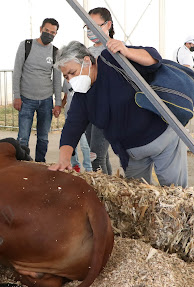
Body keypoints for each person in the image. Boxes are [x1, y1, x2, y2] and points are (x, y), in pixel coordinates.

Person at [48, 40, 188, 188]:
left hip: (162, 139)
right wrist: (64, 159)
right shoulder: (81, 97)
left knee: (175, 192)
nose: (70, 80)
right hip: (132, 153)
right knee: (138, 197)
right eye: (66, 77)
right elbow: (72, 126)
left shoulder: (111, 60)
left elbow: (153, 59)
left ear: (87, 61)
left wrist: (127, 52)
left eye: (72, 73)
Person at [12, 18, 62, 162]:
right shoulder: (26, 45)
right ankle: (22, 164)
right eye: (47, 31)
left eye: (53, 32)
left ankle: (40, 165)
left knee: (43, 138)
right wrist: (17, 96)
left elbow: (57, 80)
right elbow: (17, 72)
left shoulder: (55, 52)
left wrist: (57, 103)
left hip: (46, 101)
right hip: (26, 99)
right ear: (41, 29)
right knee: (22, 137)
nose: (49, 34)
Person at [82, 7, 113, 174]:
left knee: (96, 155)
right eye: (87, 26)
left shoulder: (115, 50)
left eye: (95, 25)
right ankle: (109, 191)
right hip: (89, 108)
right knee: (100, 155)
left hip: (105, 110)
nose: (90, 30)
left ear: (107, 25)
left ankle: (103, 194)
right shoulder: (86, 52)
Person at [62, 80, 93, 172]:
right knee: (71, 143)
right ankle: (75, 165)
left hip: (83, 117)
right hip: (70, 116)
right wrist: (58, 107)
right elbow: (66, 96)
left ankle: (88, 168)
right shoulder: (66, 80)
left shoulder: (85, 79)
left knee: (85, 144)